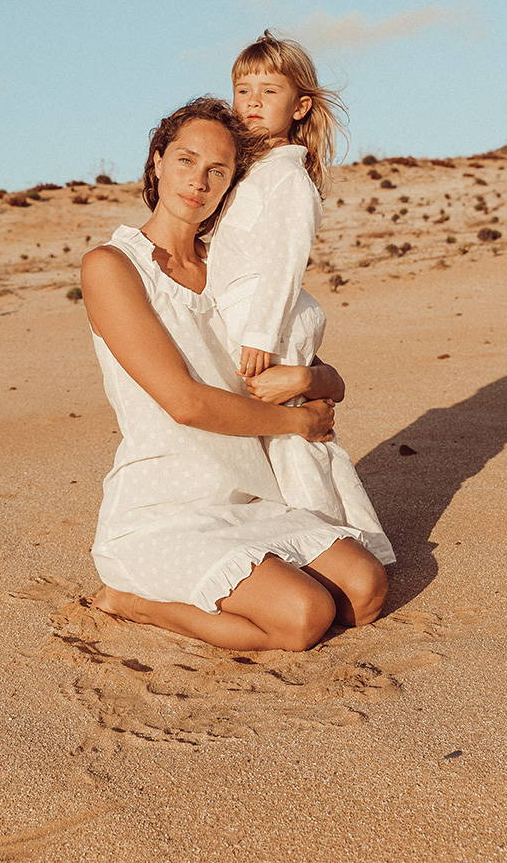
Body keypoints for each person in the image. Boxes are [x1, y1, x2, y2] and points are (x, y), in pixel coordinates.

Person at [81, 96, 389, 652]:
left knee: (365, 593)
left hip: (251, 495)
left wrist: (308, 385)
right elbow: (185, 403)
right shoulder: (112, 266)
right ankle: (136, 600)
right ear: (156, 160)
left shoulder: (236, 271)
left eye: (217, 171)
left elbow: (326, 378)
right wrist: (296, 424)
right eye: (185, 160)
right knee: (302, 618)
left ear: (231, 185)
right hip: (166, 506)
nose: (197, 181)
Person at [207, 32, 395, 565]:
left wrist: (261, 335)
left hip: (268, 323)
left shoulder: (287, 177)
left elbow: (284, 265)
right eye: (244, 90)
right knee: (263, 435)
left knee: (291, 437)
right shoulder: (251, 172)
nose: (253, 103)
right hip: (244, 318)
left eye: (270, 91)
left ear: (301, 105)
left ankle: (324, 540)